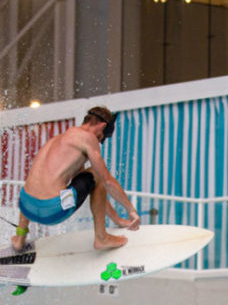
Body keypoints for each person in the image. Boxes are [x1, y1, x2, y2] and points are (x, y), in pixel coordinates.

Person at [10, 105, 140, 252]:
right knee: (98, 174)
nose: (99, 142)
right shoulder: (87, 138)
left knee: (35, 182)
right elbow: (106, 181)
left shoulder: (58, 140)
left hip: (26, 206)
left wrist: (116, 218)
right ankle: (101, 238)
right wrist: (131, 211)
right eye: (102, 137)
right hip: (51, 211)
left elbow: (92, 186)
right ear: (102, 126)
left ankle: (19, 239)